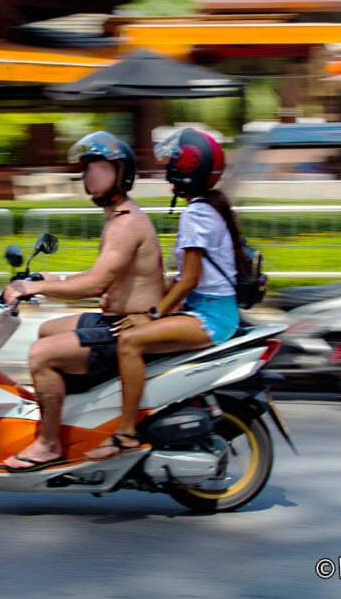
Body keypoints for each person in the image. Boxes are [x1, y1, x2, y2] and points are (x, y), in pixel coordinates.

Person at [1, 131, 163, 472]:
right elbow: (102, 274)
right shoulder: (118, 217)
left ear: (120, 171)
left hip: (126, 328)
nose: (87, 175)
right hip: (116, 320)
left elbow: (97, 282)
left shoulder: (125, 224)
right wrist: (49, 279)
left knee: (40, 356)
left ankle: (48, 445)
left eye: (96, 167)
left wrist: (33, 289)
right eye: (85, 167)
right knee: (47, 330)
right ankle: (74, 419)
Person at [86, 128, 244, 460]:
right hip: (204, 308)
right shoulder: (206, 206)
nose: (168, 164)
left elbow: (189, 280)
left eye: (174, 159)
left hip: (210, 316)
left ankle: (126, 433)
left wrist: (152, 314)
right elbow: (184, 279)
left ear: (188, 166)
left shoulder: (196, 213)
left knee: (130, 342)